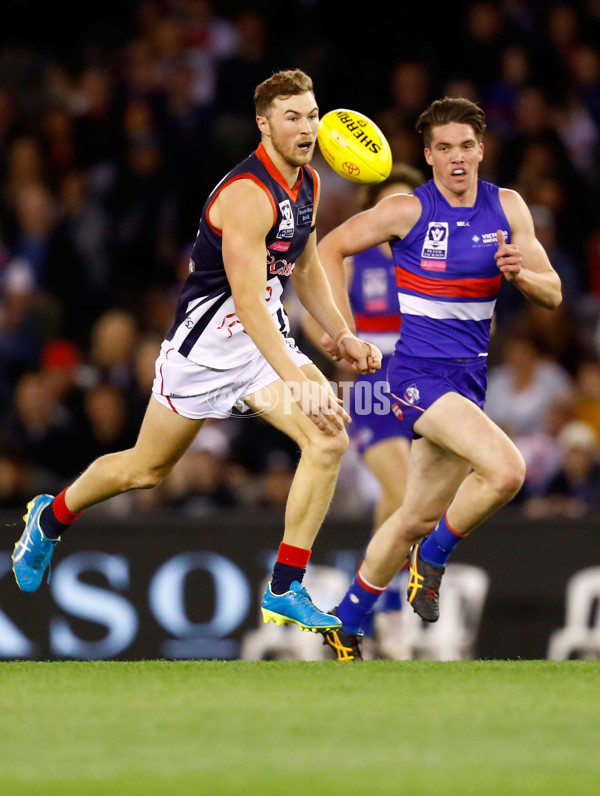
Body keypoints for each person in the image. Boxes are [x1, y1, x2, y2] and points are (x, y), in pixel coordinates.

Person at [12, 69, 382, 637]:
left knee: (328, 437)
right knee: (145, 469)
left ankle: (285, 587)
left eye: (311, 115)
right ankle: (52, 515)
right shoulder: (245, 196)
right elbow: (248, 304)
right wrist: (301, 376)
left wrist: (343, 333)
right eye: (292, 117)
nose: (306, 128)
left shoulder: (306, 183)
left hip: (263, 348)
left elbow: (304, 268)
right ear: (264, 124)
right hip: (204, 351)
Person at [316, 96, 562, 660]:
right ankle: (433, 560)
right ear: (428, 155)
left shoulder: (509, 207)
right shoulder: (406, 210)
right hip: (416, 377)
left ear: (482, 150)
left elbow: (554, 293)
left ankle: (347, 621)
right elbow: (330, 248)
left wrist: (522, 274)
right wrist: (344, 330)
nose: (457, 158)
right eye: (445, 148)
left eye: (466, 147)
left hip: (468, 380)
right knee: (505, 470)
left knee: (413, 516)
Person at [304, 164, 425, 658]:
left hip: (422, 383)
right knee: (403, 491)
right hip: (373, 384)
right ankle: (390, 607)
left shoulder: (430, 264)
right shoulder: (356, 261)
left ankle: (364, 607)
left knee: (395, 505)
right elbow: (310, 314)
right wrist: (341, 349)